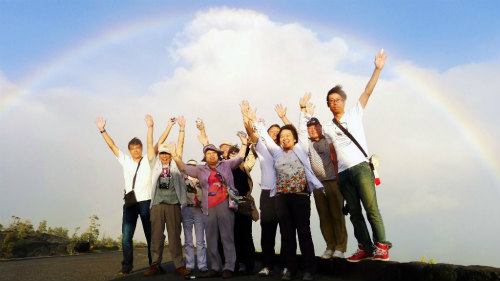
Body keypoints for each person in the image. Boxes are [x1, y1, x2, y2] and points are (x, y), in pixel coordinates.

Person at [322, 49, 392, 262]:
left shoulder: (354, 112)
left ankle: (381, 246)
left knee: (371, 208)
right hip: (343, 174)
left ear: (344, 101)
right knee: (354, 213)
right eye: (330, 101)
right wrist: (336, 175)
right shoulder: (327, 127)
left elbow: (367, 91)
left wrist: (377, 69)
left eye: (337, 100)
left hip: (361, 167)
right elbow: (333, 154)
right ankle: (366, 247)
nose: (334, 103)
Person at [244, 104, 323, 281]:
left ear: (294, 139)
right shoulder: (276, 152)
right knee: (287, 234)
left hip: (300, 196)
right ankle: (291, 269)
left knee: (303, 232)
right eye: (282, 137)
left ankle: (309, 269)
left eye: (288, 136)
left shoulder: (301, 148)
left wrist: (303, 110)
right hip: (282, 198)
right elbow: (264, 135)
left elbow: (302, 131)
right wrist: (254, 120)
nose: (285, 139)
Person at [169, 127, 249, 279]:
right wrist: (175, 155)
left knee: (227, 236)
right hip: (208, 207)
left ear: (219, 156)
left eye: (214, 154)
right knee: (211, 238)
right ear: (205, 157)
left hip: (226, 204)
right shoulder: (200, 170)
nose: (212, 156)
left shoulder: (226, 165)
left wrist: (244, 144)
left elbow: (239, 158)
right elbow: (183, 168)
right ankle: (215, 267)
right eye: (208, 154)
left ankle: (229, 267)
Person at [277, 94, 348, 259]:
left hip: (332, 181)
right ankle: (330, 246)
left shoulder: (328, 139)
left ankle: (340, 247)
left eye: (315, 127)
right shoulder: (306, 143)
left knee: (337, 214)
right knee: (324, 216)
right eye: (310, 128)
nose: (312, 129)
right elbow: (295, 131)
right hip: (317, 185)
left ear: (320, 127)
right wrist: (287, 116)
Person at [95, 117, 152, 275]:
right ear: (129, 150)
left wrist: (151, 127)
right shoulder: (125, 160)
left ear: (141, 149)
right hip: (130, 203)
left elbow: (155, 143)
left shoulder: (148, 160)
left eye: (138, 148)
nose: (135, 150)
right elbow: (112, 145)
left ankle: (154, 264)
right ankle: (127, 266)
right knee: (126, 237)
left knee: (151, 236)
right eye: (132, 148)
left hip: (146, 201)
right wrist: (102, 130)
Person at [240, 101, 284, 277]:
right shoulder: (262, 149)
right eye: (271, 133)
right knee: (268, 232)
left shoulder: (286, 151)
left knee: (287, 232)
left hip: (284, 194)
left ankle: (288, 266)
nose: (274, 135)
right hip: (267, 194)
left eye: (277, 133)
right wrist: (247, 118)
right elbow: (252, 133)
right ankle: (267, 265)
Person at [143, 115, 190, 276]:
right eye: (162, 153)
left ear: (171, 155)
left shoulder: (176, 165)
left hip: (174, 204)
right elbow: (150, 146)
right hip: (156, 205)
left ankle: (179, 265)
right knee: (156, 236)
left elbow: (181, 146)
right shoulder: (154, 164)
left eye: (167, 153)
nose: (164, 156)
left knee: (175, 236)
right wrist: (151, 127)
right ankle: (155, 264)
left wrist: (181, 129)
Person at [227, 144, 257, 274]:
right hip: (229, 204)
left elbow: (252, 154)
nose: (234, 155)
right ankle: (236, 264)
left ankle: (249, 265)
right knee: (234, 236)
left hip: (244, 203)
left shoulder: (245, 167)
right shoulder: (225, 168)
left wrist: (249, 142)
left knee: (246, 236)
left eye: (236, 153)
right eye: (231, 154)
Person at [182, 159, 208, 273]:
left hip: (199, 210)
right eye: (189, 166)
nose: (191, 167)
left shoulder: (201, 180)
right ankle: (189, 264)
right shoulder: (183, 180)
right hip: (186, 208)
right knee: (188, 240)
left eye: (194, 166)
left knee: (200, 240)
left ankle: (202, 265)